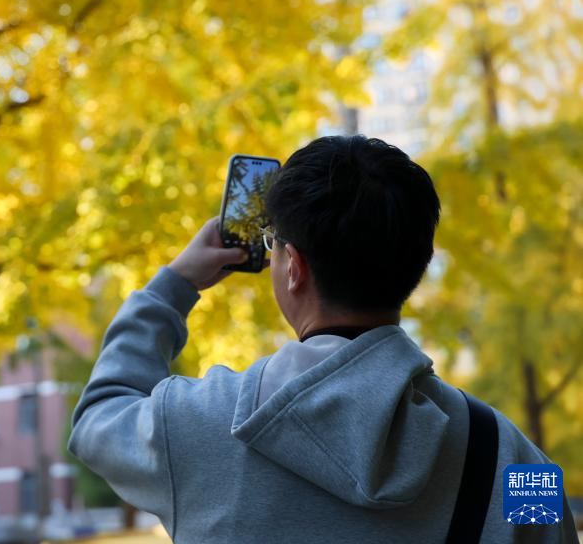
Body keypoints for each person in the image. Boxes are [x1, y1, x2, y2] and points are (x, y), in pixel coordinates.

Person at [68, 135, 578, 543]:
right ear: (416, 265)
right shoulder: (517, 461)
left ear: (296, 268)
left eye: (275, 246)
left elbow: (98, 418)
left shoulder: (196, 426)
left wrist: (173, 287)